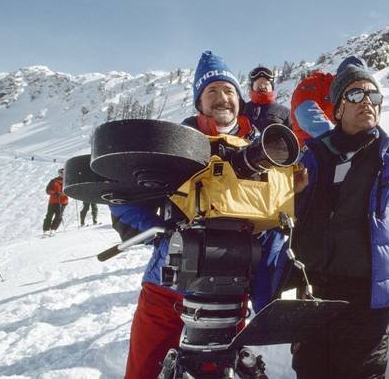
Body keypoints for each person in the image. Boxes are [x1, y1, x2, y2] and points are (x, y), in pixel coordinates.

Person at [111, 51, 285, 379]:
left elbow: (274, 224)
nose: (223, 98)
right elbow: (122, 198)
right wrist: (164, 233)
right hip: (168, 291)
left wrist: (266, 303)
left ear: (240, 99)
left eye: (230, 91)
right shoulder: (171, 144)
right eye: (212, 91)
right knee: (144, 371)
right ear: (198, 102)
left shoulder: (263, 151)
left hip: (231, 293)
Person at [291, 57, 389, 378]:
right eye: (356, 95)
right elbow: (283, 222)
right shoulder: (312, 157)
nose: (367, 103)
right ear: (337, 109)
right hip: (314, 295)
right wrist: (295, 194)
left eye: (374, 97)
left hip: (367, 300)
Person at [289, 56, 367, 146]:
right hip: (307, 148)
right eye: (348, 78)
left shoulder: (356, 97)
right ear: (339, 77)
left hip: (338, 150)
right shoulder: (314, 83)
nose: (352, 84)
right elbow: (306, 115)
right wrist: (341, 142)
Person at [241, 65, 293, 132]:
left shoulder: (284, 112)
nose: (262, 86)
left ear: (272, 87)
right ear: (252, 87)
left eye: (266, 84)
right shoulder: (243, 108)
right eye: (258, 84)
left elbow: (292, 138)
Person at [42, 168, 69, 236]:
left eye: (64, 173)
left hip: (63, 202)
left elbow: (69, 190)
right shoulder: (53, 181)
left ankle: (53, 229)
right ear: (59, 173)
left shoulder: (68, 181)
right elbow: (48, 190)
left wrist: (66, 193)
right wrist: (55, 193)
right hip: (53, 201)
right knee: (49, 215)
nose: (62, 174)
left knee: (59, 216)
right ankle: (46, 230)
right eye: (61, 173)